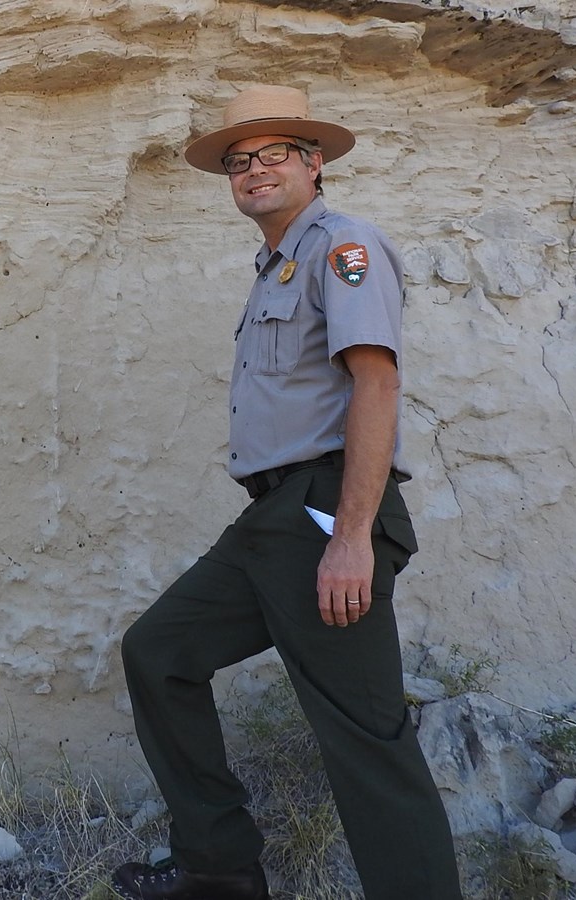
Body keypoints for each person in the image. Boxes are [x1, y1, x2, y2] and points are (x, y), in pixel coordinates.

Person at [111, 85, 463, 900]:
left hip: (323, 511)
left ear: (314, 164)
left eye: (274, 154)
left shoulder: (346, 247)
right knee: (159, 653)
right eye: (239, 161)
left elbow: (375, 388)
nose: (254, 171)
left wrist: (350, 537)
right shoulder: (279, 263)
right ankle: (220, 871)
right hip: (272, 521)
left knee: (366, 741)